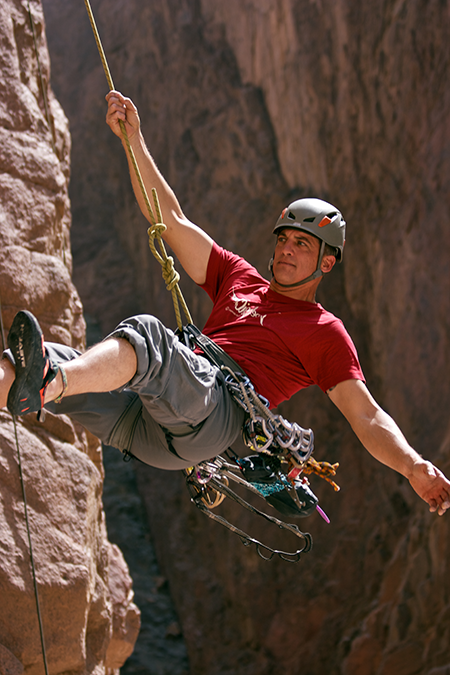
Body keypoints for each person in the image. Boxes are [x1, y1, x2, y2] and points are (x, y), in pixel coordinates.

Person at [1, 90, 449, 518]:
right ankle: (41, 379)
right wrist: (132, 140)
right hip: (153, 424)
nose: (288, 250)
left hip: (215, 415)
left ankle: (50, 384)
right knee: (31, 361)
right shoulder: (238, 277)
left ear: (327, 263)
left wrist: (412, 466)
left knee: (147, 337)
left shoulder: (324, 331)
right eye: (285, 240)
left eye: (303, 245)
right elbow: (168, 219)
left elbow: (366, 415)